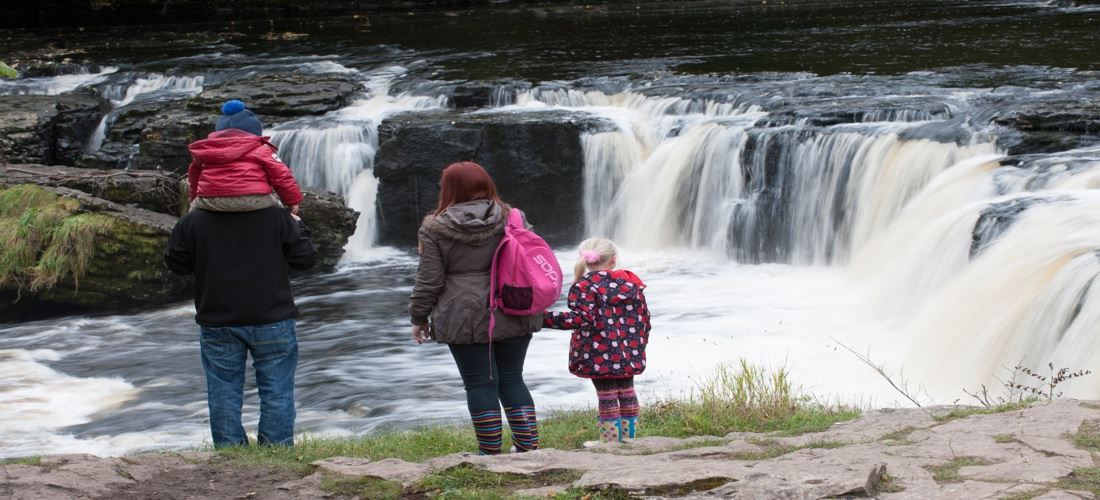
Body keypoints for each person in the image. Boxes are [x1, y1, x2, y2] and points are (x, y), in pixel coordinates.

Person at [164, 157, 318, 448]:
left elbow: (177, 264)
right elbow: (305, 259)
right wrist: (299, 225)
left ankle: (231, 453)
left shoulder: (193, 220)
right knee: (277, 390)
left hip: (218, 319)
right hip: (272, 318)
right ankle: (275, 452)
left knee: (223, 390)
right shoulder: (276, 217)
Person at [409, 161, 543, 455]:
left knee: (480, 384)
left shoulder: (435, 227)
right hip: (515, 305)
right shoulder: (513, 217)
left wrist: (419, 317)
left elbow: (429, 280)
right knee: (512, 378)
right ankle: (529, 448)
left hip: (462, 315)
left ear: (448, 189)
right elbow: (533, 259)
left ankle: (490, 452)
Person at [543, 237, 651, 445]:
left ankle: (610, 444)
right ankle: (630, 441)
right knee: (627, 391)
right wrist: (638, 345)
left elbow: (581, 319)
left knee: (607, 395)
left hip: (598, 352)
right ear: (613, 260)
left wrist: (544, 318)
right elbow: (644, 319)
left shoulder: (584, 286)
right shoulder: (631, 284)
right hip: (628, 350)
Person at [187, 99, 303, 214]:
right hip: (253, 199)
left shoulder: (205, 151)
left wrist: (194, 200)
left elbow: (193, 177)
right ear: (254, 132)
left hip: (211, 200)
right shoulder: (261, 150)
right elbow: (281, 175)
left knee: (192, 213)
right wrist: (292, 201)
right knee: (282, 212)